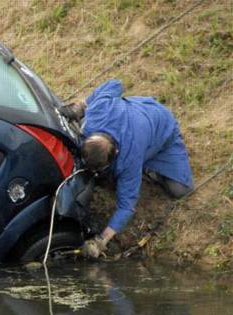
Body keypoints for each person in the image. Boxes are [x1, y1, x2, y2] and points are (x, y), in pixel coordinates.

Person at [63, 79, 194, 258]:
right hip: (137, 112)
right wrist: (82, 105)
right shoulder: (96, 113)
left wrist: (101, 240)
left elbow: (126, 206)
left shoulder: (129, 159)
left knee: (180, 190)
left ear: (115, 153)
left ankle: (152, 170)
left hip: (163, 131)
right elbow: (116, 84)